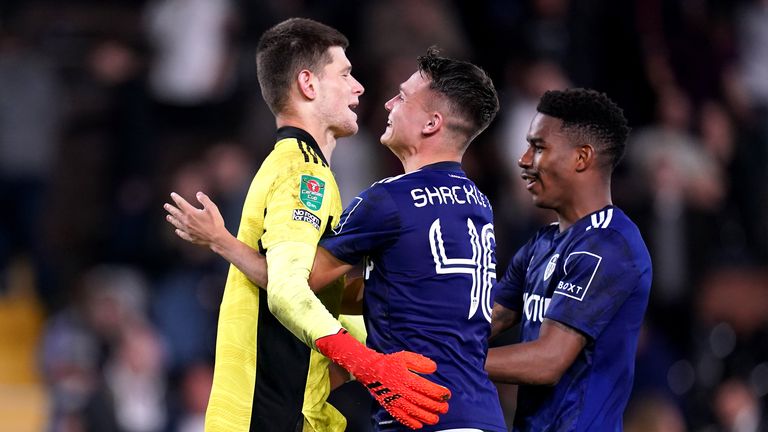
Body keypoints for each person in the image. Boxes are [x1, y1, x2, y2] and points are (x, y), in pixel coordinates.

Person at [166, 48, 506, 431]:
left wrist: (220, 240)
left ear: (431, 123)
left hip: (421, 411)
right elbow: (406, 292)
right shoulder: (479, 205)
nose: (389, 103)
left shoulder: (389, 199)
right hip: (481, 413)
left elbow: (294, 286)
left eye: (403, 97)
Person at [485, 88, 652, 431]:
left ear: (582, 158)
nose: (524, 159)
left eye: (539, 147)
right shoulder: (542, 244)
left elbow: (547, 361)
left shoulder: (611, 244)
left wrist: (445, 360)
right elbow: (482, 320)